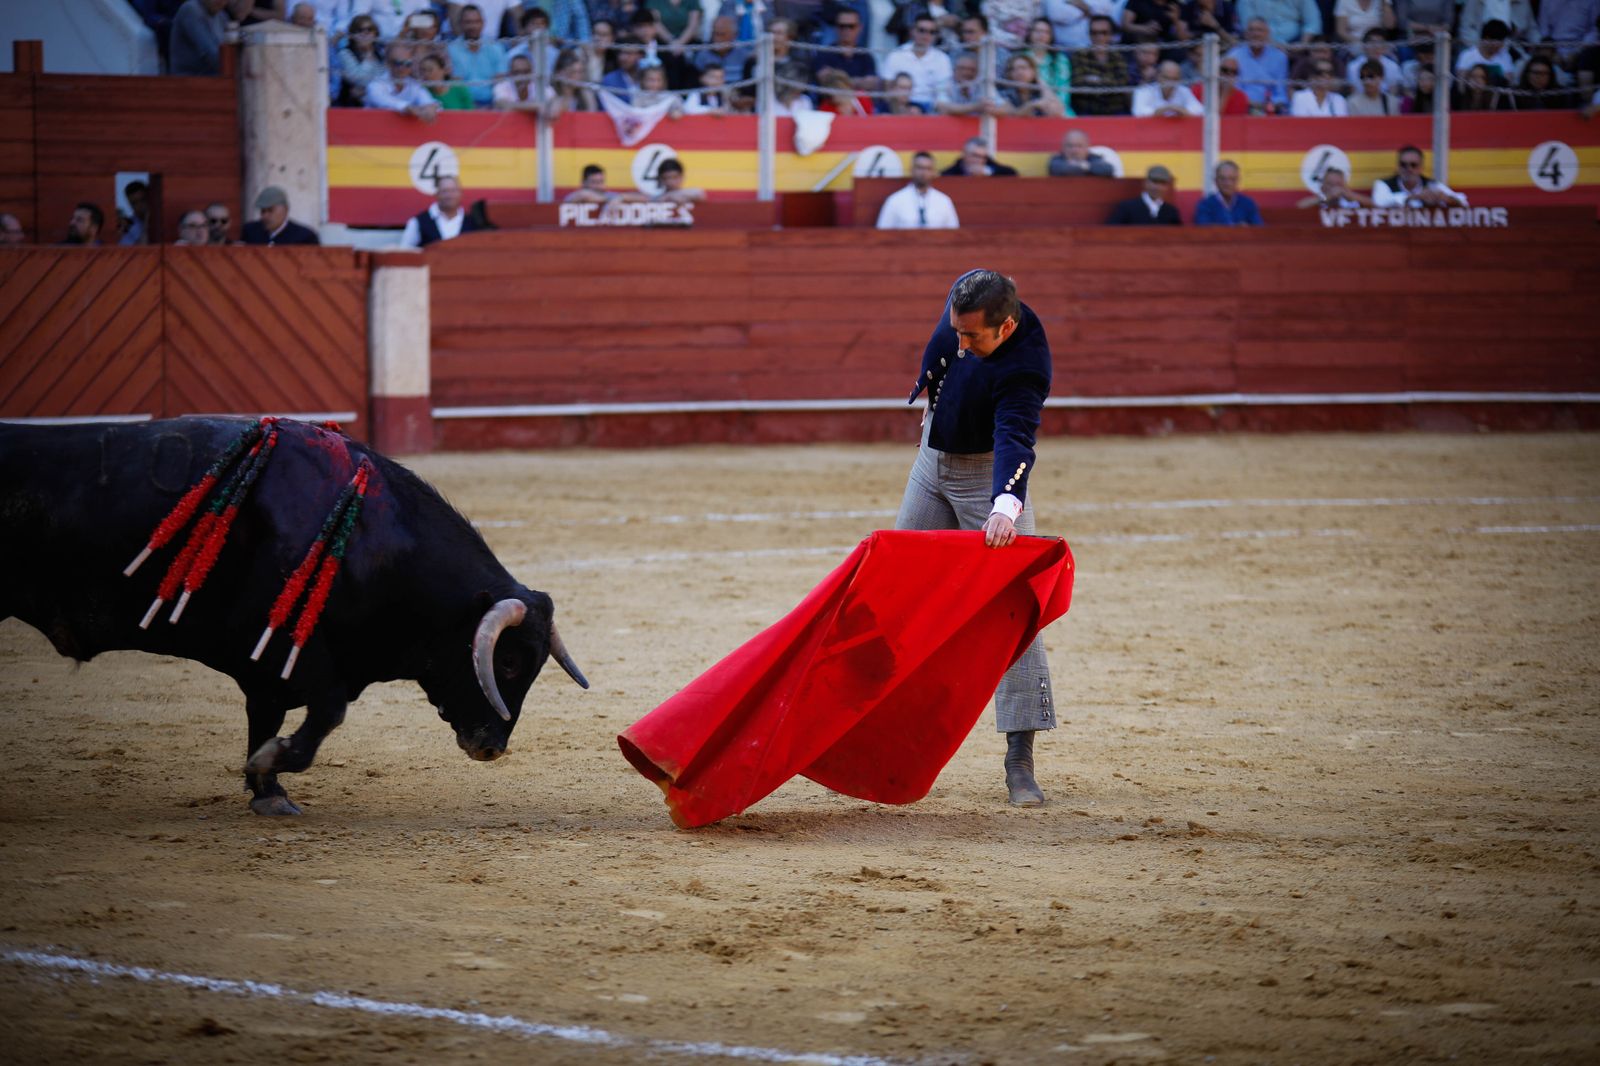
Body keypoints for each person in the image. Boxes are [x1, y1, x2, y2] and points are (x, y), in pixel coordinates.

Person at [895, 269, 1057, 808]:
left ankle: (1019, 757)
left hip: (986, 475)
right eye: (956, 331)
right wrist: (927, 393)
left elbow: (1015, 436)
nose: (961, 344)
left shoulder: (1026, 365)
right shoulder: (967, 310)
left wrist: (1005, 506)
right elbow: (943, 351)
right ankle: (879, 728)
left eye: (973, 338)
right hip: (931, 463)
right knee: (896, 590)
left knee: (1016, 612)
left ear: (1006, 327)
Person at [883, 13, 955, 111]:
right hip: (900, 108)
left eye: (932, 32)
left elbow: (943, 94)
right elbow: (888, 90)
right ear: (912, 31)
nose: (926, 35)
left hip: (931, 109)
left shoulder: (942, 59)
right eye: (922, 30)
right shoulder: (896, 55)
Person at [877, 151, 960, 229]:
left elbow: (954, 233)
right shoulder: (895, 200)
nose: (923, 172)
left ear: (933, 172)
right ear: (911, 169)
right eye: (919, 168)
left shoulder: (944, 201)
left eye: (928, 168)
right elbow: (882, 232)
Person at [448, 4, 508, 109]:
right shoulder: (451, 49)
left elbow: (500, 79)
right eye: (468, 22)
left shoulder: (496, 47)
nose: (473, 26)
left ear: (483, 23)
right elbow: (456, 82)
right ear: (460, 24)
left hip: (493, 103)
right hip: (464, 104)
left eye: (476, 22)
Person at [1071, 15, 1135, 114]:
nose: (1099, 37)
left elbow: (1122, 84)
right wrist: (1108, 83)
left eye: (1104, 33)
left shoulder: (1118, 57)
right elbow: (1078, 82)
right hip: (1087, 110)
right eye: (1094, 33)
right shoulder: (1079, 55)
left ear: (1111, 35)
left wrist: (1094, 79)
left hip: (1115, 110)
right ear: (1089, 35)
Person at [1371, 145, 1467, 208]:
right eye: (1403, 164)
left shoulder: (1432, 184)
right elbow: (1379, 202)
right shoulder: (1383, 184)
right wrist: (1415, 197)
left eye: (1413, 165)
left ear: (1421, 168)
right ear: (1398, 167)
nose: (1409, 169)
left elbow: (1464, 203)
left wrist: (1445, 198)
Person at [366, 43, 443, 119]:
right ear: (388, 63)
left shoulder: (414, 85)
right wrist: (407, 107)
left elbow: (427, 101)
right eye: (398, 63)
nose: (403, 68)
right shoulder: (376, 84)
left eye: (408, 63)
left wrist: (430, 107)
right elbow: (382, 99)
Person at [814, 7, 879, 92]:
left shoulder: (866, 56)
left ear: (859, 28)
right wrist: (858, 81)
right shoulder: (825, 53)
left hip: (859, 103)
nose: (846, 30)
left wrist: (839, 78)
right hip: (832, 103)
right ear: (836, 28)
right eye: (842, 26)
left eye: (851, 26)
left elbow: (871, 83)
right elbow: (824, 79)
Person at [241, 186, 320, 245]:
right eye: (263, 211)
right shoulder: (251, 231)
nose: (265, 216)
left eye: (270, 210)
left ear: (285, 210)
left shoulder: (304, 237)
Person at [337, 13, 385, 106]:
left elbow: (383, 80)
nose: (365, 33)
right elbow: (358, 79)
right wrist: (368, 56)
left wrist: (367, 90)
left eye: (370, 29)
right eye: (359, 30)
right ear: (352, 34)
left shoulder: (380, 54)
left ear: (375, 34)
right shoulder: (345, 53)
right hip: (352, 105)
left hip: (376, 102)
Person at [1194, 160, 1263, 225]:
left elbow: (1259, 229)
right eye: (1223, 179)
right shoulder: (1205, 205)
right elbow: (1203, 230)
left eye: (1232, 179)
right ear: (1215, 181)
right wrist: (1237, 229)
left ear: (1238, 180)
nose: (1228, 183)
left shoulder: (1248, 203)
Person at [171, 0, 230, 76]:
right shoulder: (191, 9)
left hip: (212, 79)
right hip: (189, 81)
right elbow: (211, 55)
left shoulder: (222, 16)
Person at [1107, 164, 1182, 224]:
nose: (1158, 187)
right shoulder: (1127, 208)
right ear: (1146, 183)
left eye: (1162, 183)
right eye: (1154, 182)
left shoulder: (1171, 212)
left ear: (1167, 187)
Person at [1133, 59, 1204, 115]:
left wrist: (1180, 110)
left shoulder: (1184, 91)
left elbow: (1199, 110)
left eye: (1174, 79)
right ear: (1158, 76)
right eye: (1166, 78)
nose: (1170, 83)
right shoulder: (1144, 90)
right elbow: (1138, 111)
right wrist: (1163, 110)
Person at [1236, 0, 1320, 43]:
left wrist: (1302, 45)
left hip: (1297, 44)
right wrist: (1275, 46)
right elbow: (1248, 26)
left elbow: (1313, 22)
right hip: (1260, 44)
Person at [1048, 129, 1114, 176]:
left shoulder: (1093, 157)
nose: (1074, 150)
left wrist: (1083, 166)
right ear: (1063, 147)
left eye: (1079, 146)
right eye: (1070, 146)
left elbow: (1108, 169)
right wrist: (1087, 167)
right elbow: (1057, 169)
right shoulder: (1057, 159)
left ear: (1087, 147)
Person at [1296, 165, 1371, 207]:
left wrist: (1351, 196)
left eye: (1338, 184)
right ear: (1322, 186)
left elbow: (1375, 205)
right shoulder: (1319, 201)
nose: (1335, 188)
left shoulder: (1352, 201)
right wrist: (1326, 197)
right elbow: (1300, 206)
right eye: (1330, 184)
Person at [943, 137, 1020, 177]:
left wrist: (988, 171)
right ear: (964, 154)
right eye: (975, 155)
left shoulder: (989, 164)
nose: (979, 160)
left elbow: (1012, 173)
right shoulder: (951, 172)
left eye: (983, 157)